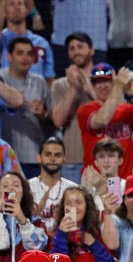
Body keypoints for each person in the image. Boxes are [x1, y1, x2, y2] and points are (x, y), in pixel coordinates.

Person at [77, 63, 133, 180]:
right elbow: (103, 120)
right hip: (95, 182)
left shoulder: (127, 109)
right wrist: (118, 86)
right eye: (98, 82)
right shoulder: (85, 110)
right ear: (92, 85)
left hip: (124, 180)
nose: (103, 86)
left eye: (107, 81)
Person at [0, 36, 50, 175]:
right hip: (2, 155)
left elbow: (50, 122)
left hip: (32, 156)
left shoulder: (39, 82)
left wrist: (42, 114)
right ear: (9, 56)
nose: (25, 58)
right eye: (20, 53)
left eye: (29, 54)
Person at [50, 185, 119, 262]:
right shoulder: (55, 235)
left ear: (87, 207)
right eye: (69, 203)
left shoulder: (97, 233)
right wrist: (61, 234)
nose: (74, 207)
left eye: (78, 202)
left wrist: (93, 244)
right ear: (63, 207)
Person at [50, 32, 99, 181]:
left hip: (105, 158)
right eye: (71, 48)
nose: (76, 51)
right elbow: (58, 121)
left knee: (110, 203)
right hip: (73, 160)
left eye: (80, 46)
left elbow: (111, 114)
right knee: (73, 204)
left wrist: (88, 86)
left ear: (92, 50)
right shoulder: (60, 85)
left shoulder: (105, 81)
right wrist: (73, 88)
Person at [0, 0, 55, 83]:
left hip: (36, 94)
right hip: (7, 93)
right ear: (4, 12)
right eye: (11, 4)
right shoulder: (1, 39)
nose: (17, 7)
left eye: (20, 3)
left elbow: (49, 78)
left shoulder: (42, 43)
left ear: (27, 11)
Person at [29, 137, 79, 234]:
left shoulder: (73, 189)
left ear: (64, 158)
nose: (52, 159)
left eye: (58, 155)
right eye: (48, 155)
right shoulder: (27, 188)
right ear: (39, 157)